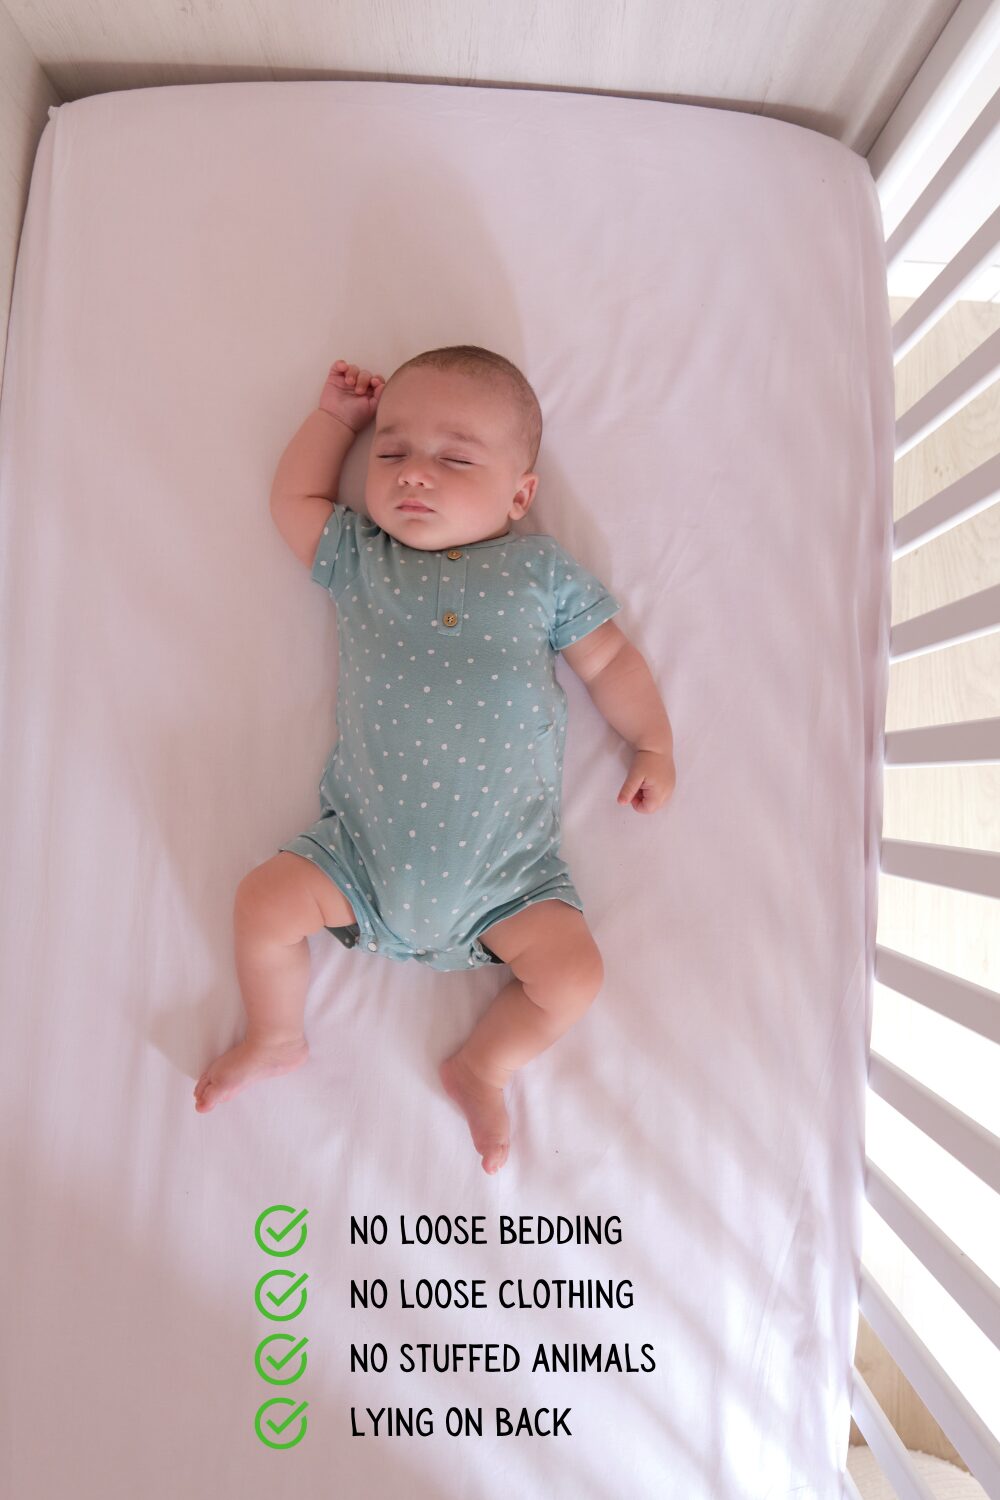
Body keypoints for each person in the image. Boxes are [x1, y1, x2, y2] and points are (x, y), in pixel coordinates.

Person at [193, 347, 675, 1173]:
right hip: (357, 862)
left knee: (573, 976)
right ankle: (274, 1033)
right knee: (263, 905)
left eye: (454, 458)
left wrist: (652, 741)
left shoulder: (539, 573)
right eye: (391, 452)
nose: (415, 474)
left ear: (521, 494)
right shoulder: (363, 559)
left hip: (507, 881)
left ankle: (482, 1065)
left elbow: (609, 663)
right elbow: (296, 499)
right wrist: (335, 423)